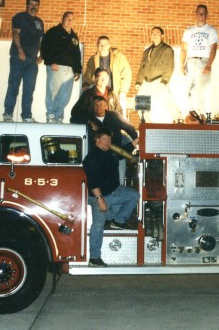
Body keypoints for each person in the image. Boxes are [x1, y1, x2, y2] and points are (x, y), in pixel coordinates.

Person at [83, 127, 139, 267]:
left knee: (134, 195)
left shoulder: (110, 153)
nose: (107, 142)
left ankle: (118, 221)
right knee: (98, 225)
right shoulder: (92, 158)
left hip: (115, 191)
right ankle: (94, 258)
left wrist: (138, 140)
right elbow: (92, 181)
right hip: (100, 195)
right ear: (97, 140)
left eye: (109, 139)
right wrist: (100, 199)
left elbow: (124, 151)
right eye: (104, 139)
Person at [3, 0, 45, 122]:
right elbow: (15, 33)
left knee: (29, 89)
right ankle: (8, 114)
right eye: (31, 4)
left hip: (32, 61)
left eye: (36, 5)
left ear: (38, 6)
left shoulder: (40, 22)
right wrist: (20, 49)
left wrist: (41, 55)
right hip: (18, 58)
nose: (34, 7)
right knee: (13, 86)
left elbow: (42, 40)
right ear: (27, 5)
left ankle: (26, 115)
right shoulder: (19, 17)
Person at [40, 11, 82, 123]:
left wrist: (77, 70)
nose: (70, 21)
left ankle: (59, 116)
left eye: (72, 19)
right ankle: (51, 115)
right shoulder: (54, 32)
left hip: (70, 70)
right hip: (56, 67)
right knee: (53, 92)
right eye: (68, 18)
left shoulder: (74, 36)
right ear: (62, 19)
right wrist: (51, 61)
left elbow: (77, 54)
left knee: (65, 96)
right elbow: (45, 46)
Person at [178, 5, 218, 119]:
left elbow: (213, 49)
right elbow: (184, 49)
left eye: (203, 13)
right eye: (199, 13)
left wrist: (209, 65)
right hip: (190, 62)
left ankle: (202, 115)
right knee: (185, 90)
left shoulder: (211, 30)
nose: (201, 15)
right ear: (195, 14)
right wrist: (182, 65)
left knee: (201, 91)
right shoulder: (189, 31)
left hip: (203, 62)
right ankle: (190, 114)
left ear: (206, 15)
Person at [87, 97, 139, 182]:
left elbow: (129, 128)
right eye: (96, 105)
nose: (98, 106)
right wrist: (89, 122)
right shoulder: (89, 119)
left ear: (106, 105)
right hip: (99, 159)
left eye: (101, 104)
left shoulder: (114, 116)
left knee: (119, 181)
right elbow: (74, 118)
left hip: (117, 155)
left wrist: (136, 140)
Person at [134, 26, 178, 122]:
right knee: (141, 105)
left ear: (162, 36)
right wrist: (138, 82)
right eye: (153, 33)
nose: (154, 35)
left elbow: (169, 67)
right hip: (146, 82)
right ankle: (144, 124)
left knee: (160, 108)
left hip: (159, 82)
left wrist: (164, 81)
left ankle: (162, 128)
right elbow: (142, 68)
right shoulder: (146, 51)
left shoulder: (167, 50)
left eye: (157, 33)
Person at [82, 36, 132, 117]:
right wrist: (85, 84)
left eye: (105, 44)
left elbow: (126, 74)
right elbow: (88, 74)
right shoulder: (93, 59)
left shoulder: (118, 57)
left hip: (115, 92)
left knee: (118, 116)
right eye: (100, 44)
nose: (102, 46)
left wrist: (123, 91)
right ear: (97, 45)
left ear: (109, 45)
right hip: (100, 92)